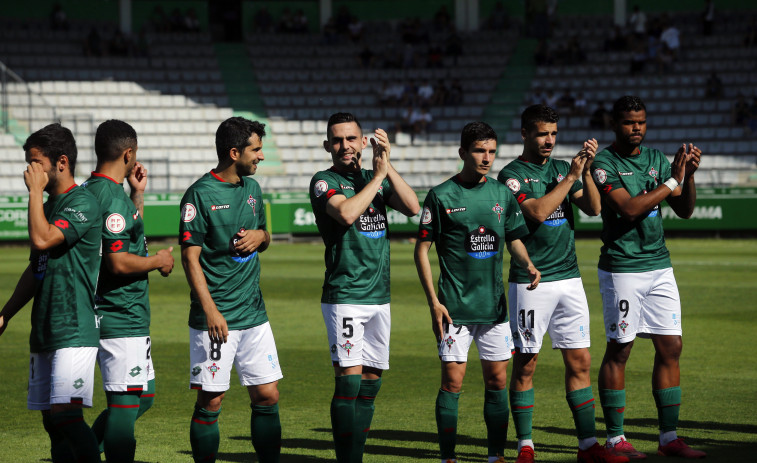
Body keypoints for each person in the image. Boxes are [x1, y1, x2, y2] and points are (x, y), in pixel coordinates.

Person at [497, 105, 628, 463]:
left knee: (581, 361)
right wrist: (570, 178)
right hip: (531, 282)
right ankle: (525, 445)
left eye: (553, 133)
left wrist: (585, 174)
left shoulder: (560, 169)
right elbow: (538, 211)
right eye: (542, 133)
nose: (549, 140)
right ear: (524, 133)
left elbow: (594, 209)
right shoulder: (512, 175)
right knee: (526, 363)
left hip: (569, 279)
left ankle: (588, 445)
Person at [415, 121, 541, 463]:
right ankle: (448, 457)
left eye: (491, 151)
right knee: (452, 383)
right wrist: (434, 303)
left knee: (498, 381)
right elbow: (421, 251)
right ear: (462, 153)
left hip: (494, 309)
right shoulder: (440, 196)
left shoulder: (502, 194)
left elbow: (513, 237)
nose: (486, 158)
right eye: (479, 151)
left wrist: (527, 262)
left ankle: (495, 455)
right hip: (454, 309)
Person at [590, 96, 706, 459]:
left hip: (660, 266)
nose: (636, 128)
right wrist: (673, 177)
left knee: (671, 347)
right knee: (620, 349)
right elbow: (628, 209)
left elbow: (685, 210)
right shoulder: (604, 163)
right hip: (622, 267)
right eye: (628, 122)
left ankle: (669, 438)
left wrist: (687, 178)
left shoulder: (655, 159)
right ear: (614, 124)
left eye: (641, 121)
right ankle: (615, 438)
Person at [309, 112, 420, 462]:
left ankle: (355, 453)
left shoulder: (377, 177)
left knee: (371, 381)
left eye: (351, 139)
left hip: (379, 296)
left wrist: (386, 166)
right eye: (338, 140)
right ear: (328, 145)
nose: (345, 146)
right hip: (345, 295)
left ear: (362, 142)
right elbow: (345, 214)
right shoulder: (323, 181)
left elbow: (413, 206)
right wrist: (378, 178)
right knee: (349, 382)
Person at [179, 117, 281, 463]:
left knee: (267, 395)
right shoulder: (199, 194)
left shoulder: (253, 190)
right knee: (212, 400)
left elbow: (265, 237)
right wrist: (210, 310)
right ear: (234, 152)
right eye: (256, 149)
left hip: (254, 314)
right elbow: (190, 259)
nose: (261, 156)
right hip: (216, 317)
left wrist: (261, 237)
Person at [0, 123, 102, 462]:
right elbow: (36, 267)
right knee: (51, 422)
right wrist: (6, 312)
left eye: (34, 161)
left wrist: (33, 193)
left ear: (61, 161)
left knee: (66, 415)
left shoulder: (82, 202)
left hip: (73, 327)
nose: (29, 170)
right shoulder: (47, 207)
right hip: (44, 328)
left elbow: (43, 239)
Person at [83, 120, 175, 462]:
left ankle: (84, 451)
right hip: (121, 313)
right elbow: (119, 262)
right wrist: (159, 261)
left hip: (118, 312)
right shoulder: (111, 199)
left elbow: (124, 234)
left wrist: (137, 194)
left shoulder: (93, 191)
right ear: (128, 153)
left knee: (144, 396)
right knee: (125, 402)